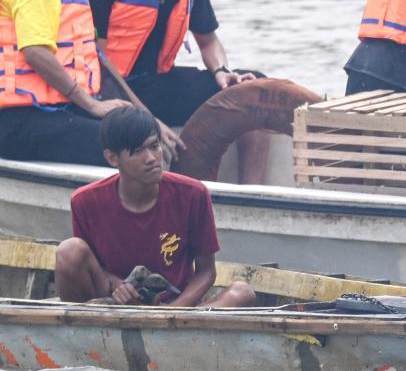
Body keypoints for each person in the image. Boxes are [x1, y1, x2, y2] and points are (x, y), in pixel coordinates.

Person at [75, 0, 273, 184]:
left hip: (158, 83)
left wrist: (222, 71)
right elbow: (97, 61)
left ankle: (253, 195)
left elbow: (209, 40)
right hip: (111, 92)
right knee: (140, 126)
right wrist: (145, 117)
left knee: (253, 91)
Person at [56, 107, 256, 307]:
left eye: (154, 146)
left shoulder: (193, 194)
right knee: (69, 251)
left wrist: (173, 312)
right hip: (113, 305)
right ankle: (86, 331)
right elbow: (92, 267)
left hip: (175, 308)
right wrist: (118, 286)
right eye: (138, 151)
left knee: (242, 293)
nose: (152, 158)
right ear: (112, 158)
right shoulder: (85, 202)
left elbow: (206, 271)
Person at [0, 0, 139, 166]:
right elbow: (35, 52)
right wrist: (90, 104)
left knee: (139, 128)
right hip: (18, 120)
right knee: (127, 143)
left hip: (52, 110)